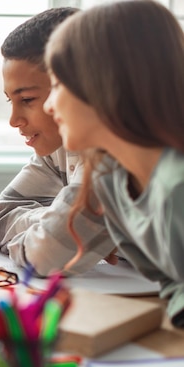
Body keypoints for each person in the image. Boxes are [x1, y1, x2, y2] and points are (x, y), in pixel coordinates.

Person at [43, 0, 184, 327]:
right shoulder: (110, 180)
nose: (50, 105)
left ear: (106, 84)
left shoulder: (177, 186)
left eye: (57, 85)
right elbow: (171, 282)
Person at [0, 7, 115, 277]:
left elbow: (45, 256)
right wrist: (50, 220)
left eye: (27, 100)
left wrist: (54, 232)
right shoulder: (58, 151)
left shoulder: (115, 154)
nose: (14, 120)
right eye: (10, 100)